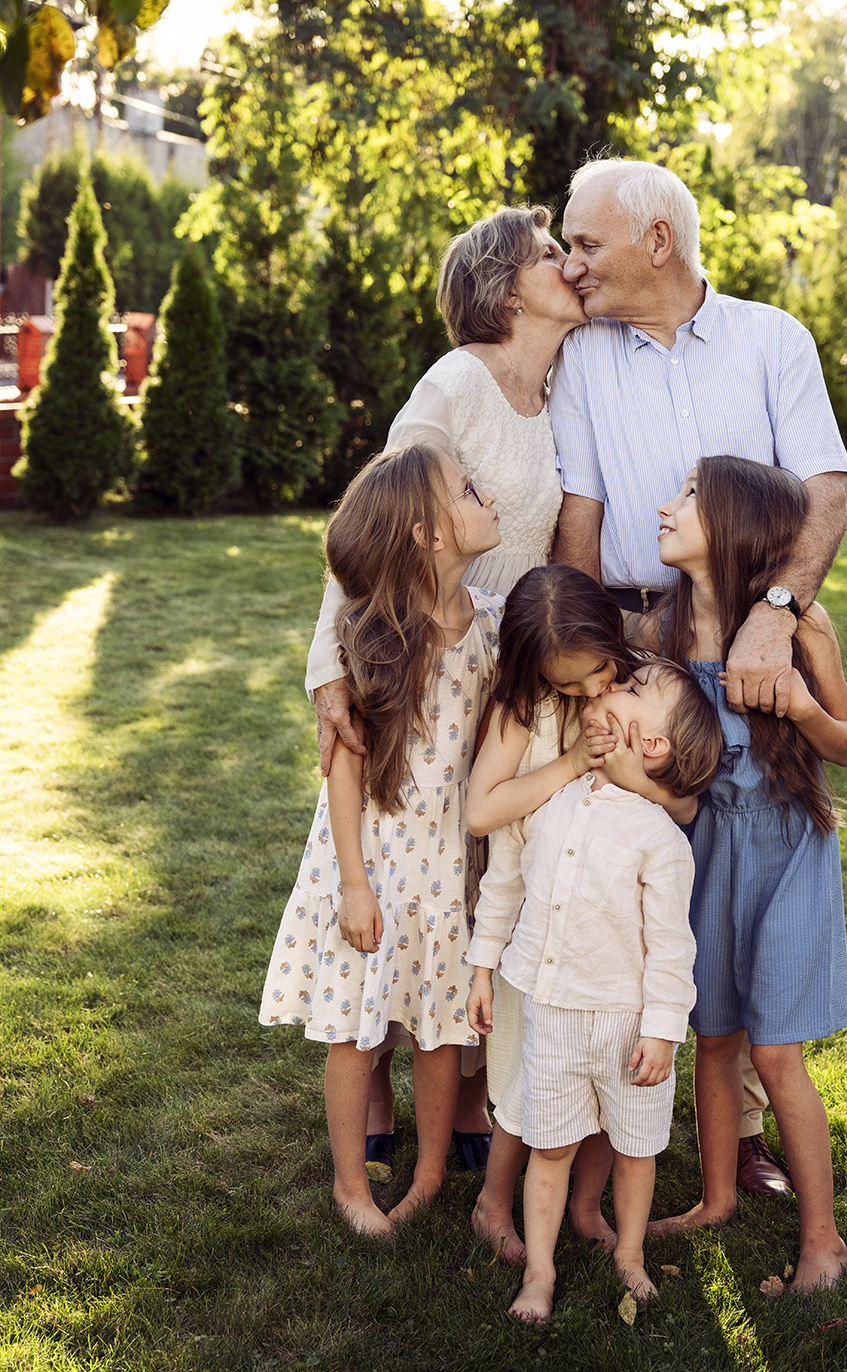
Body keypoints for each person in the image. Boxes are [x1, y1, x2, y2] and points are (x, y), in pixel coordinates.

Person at [548, 155, 847, 1196]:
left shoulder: (773, 340)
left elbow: (825, 491)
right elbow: (583, 510)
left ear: (657, 240)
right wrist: (594, 658)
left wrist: (775, 618)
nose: (571, 262)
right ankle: (597, 1119)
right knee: (648, 875)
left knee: (749, 862)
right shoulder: (584, 355)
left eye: (586, 242)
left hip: (758, 626)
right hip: (643, 637)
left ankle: (747, 1136)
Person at [304, 204, 586, 1166]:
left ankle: (464, 1097)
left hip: (498, 661)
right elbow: (378, 516)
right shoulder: (456, 382)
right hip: (418, 657)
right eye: (551, 253)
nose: (569, 263)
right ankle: (374, 1083)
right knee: (400, 865)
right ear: (506, 287)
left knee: (474, 874)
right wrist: (329, 664)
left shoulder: (562, 384)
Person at [258, 445, 504, 1234]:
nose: (487, 496)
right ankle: (351, 1188)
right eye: (469, 491)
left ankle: (429, 1176)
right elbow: (345, 768)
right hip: (371, 861)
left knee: (440, 1026)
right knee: (352, 1028)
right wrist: (355, 885)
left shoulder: (493, 626)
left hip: (448, 866)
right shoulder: (372, 636)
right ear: (427, 534)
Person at [639, 455, 847, 1292]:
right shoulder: (663, 632)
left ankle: (822, 1239)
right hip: (705, 852)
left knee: (773, 1052)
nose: (666, 507)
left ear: (736, 527)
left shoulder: (799, 628)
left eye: (689, 495)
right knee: (714, 1034)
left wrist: (801, 705)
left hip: (788, 850)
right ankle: (717, 1199)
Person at [467, 660, 723, 1322]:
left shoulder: (660, 839)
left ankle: (630, 1255)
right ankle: (540, 1272)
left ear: (652, 743)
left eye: (632, 690)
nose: (612, 687)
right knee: (550, 1146)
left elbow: (672, 948)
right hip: (553, 1015)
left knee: (635, 1148)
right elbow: (505, 883)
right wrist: (482, 967)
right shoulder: (552, 796)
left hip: (628, 1027)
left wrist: (663, 1030)